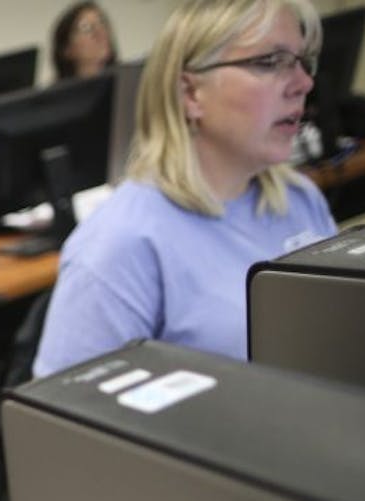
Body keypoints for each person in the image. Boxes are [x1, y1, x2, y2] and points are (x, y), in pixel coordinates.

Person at [33, 0, 337, 378]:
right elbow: (63, 424)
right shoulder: (120, 244)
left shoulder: (301, 198)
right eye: (270, 61)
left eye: (302, 61)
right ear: (191, 94)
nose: (304, 83)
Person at [51, 2, 118, 81]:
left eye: (102, 23)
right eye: (86, 28)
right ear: (66, 50)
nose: (100, 32)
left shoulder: (127, 84)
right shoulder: (55, 92)